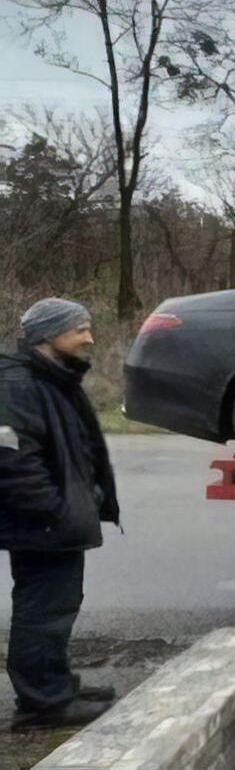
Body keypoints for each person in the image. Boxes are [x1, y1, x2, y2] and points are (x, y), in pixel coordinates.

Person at [0, 298, 120, 730]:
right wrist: (52, 509)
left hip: (55, 520)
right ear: (49, 334)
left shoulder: (51, 377)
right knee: (43, 609)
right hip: (42, 524)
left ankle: (55, 685)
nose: (89, 337)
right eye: (79, 329)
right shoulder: (16, 383)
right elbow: (11, 460)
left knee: (59, 604)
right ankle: (43, 705)